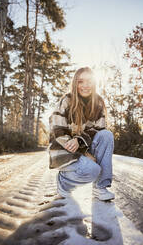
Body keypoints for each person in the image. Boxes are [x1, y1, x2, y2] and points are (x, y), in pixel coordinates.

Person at [49, 67, 115, 201]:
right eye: (81, 81)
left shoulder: (98, 102)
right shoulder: (66, 101)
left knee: (107, 135)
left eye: (89, 81)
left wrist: (80, 142)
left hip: (82, 145)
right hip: (65, 149)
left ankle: (100, 188)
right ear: (75, 83)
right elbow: (57, 129)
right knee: (92, 170)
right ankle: (64, 183)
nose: (85, 85)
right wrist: (83, 152)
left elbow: (98, 130)